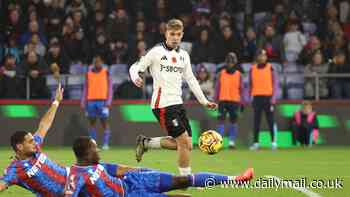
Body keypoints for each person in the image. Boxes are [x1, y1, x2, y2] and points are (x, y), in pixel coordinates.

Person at [129, 19, 217, 176]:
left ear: (182, 35)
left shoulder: (184, 56)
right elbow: (135, 66)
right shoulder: (156, 52)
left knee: (187, 145)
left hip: (178, 104)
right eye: (172, 34)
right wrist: (135, 76)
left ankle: (146, 143)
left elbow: (191, 80)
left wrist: (204, 101)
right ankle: (186, 180)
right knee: (183, 142)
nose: (175, 37)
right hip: (162, 104)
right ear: (166, 34)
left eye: (178, 34)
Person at [64, 136, 254, 197]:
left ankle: (235, 179)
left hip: (136, 181)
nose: (99, 152)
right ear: (87, 152)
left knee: (183, 180)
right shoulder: (75, 175)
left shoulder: (100, 165)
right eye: (96, 149)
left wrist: (145, 172)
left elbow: (121, 169)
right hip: (131, 196)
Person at [0, 84, 65, 195]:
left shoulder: (36, 146)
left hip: (72, 180)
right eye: (30, 141)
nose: (35, 142)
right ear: (20, 147)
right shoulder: (15, 170)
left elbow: (44, 125)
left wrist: (56, 102)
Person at [248, 49, 279, 150]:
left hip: (268, 98)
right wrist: (250, 98)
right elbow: (250, 85)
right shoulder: (252, 69)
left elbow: (275, 84)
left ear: (266, 57)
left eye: (264, 56)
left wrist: (273, 99)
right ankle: (256, 143)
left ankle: (274, 142)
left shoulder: (271, 68)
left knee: (270, 121)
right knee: (256, 122)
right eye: (260, 56)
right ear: (257, 57)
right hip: (256, 98)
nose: (262, 57)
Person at [81, 54, 113, 150]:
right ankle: (93, 145)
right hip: (91, 101)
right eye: (95, 62)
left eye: (99, 61)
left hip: (103, 102)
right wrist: (83, 101)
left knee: (104, 123)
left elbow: (110, 88)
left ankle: (106, 144)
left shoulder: (106, 73)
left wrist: (109, 101)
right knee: (92, 123)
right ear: (93, 63)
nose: (97, 63)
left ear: (102, 63)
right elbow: (85, 88)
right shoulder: (88, 74)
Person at [215, 52, 244, 148]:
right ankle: (220, 141)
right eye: (228, 62)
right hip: (223, 100)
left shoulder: (239, 75)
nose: (230, 64)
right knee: (221, 121)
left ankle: (232, 142)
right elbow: (217, 88)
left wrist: (242, 102)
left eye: (232, 62)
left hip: (235, 101)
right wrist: (216, 100)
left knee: (233, 121)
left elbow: (242, 89)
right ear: (226, 63)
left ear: (235, 63)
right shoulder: (221, 74)